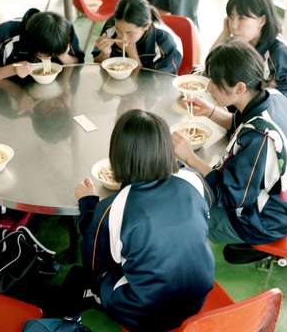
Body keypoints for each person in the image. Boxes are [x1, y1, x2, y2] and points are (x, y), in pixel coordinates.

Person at [75, 109, 214, 331]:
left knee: (98, 275)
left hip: (147, 315)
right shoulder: (192, 179)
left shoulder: (114, 207)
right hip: (198, 296)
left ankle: (96, 300)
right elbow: (205, 208)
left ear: (117, 157)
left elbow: (92, 261)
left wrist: (87, 203)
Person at [172, 40, 287, 246]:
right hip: (284, 204)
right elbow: (243, 122)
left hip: (264, 222)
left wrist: (190, 157)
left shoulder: (259, 137)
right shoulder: (274, 96)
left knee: (179, 211)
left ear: (239, 88)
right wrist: (209, 111)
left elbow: (227, 195)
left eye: (216, 83)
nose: (209, 87)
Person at [211, 0, 287, 106]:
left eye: (241, 18)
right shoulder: (241, 41)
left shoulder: (280, 53)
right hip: (240, 106)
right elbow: (211, 69)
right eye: (231, 17)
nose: (234, 25)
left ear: (262, 20)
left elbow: (281, 106)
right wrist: (224, 33)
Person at [0, 8, 85, 84]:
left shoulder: (64, 30)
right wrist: (13, 69)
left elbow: (78, 65)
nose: (49, 58)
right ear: (30, 43)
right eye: (45, 55)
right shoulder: (5, 34)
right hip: (11, 95)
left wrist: (64, 56)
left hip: (53, 90)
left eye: (53, 55)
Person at [93, 0, 183, 74]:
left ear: (146, 26)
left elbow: (158, 83)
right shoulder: (111, 26)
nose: (123, 37)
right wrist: (104, 54)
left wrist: (132, 53)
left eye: (129, 32)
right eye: (118, 30)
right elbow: (97, 63)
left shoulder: (163, 40)